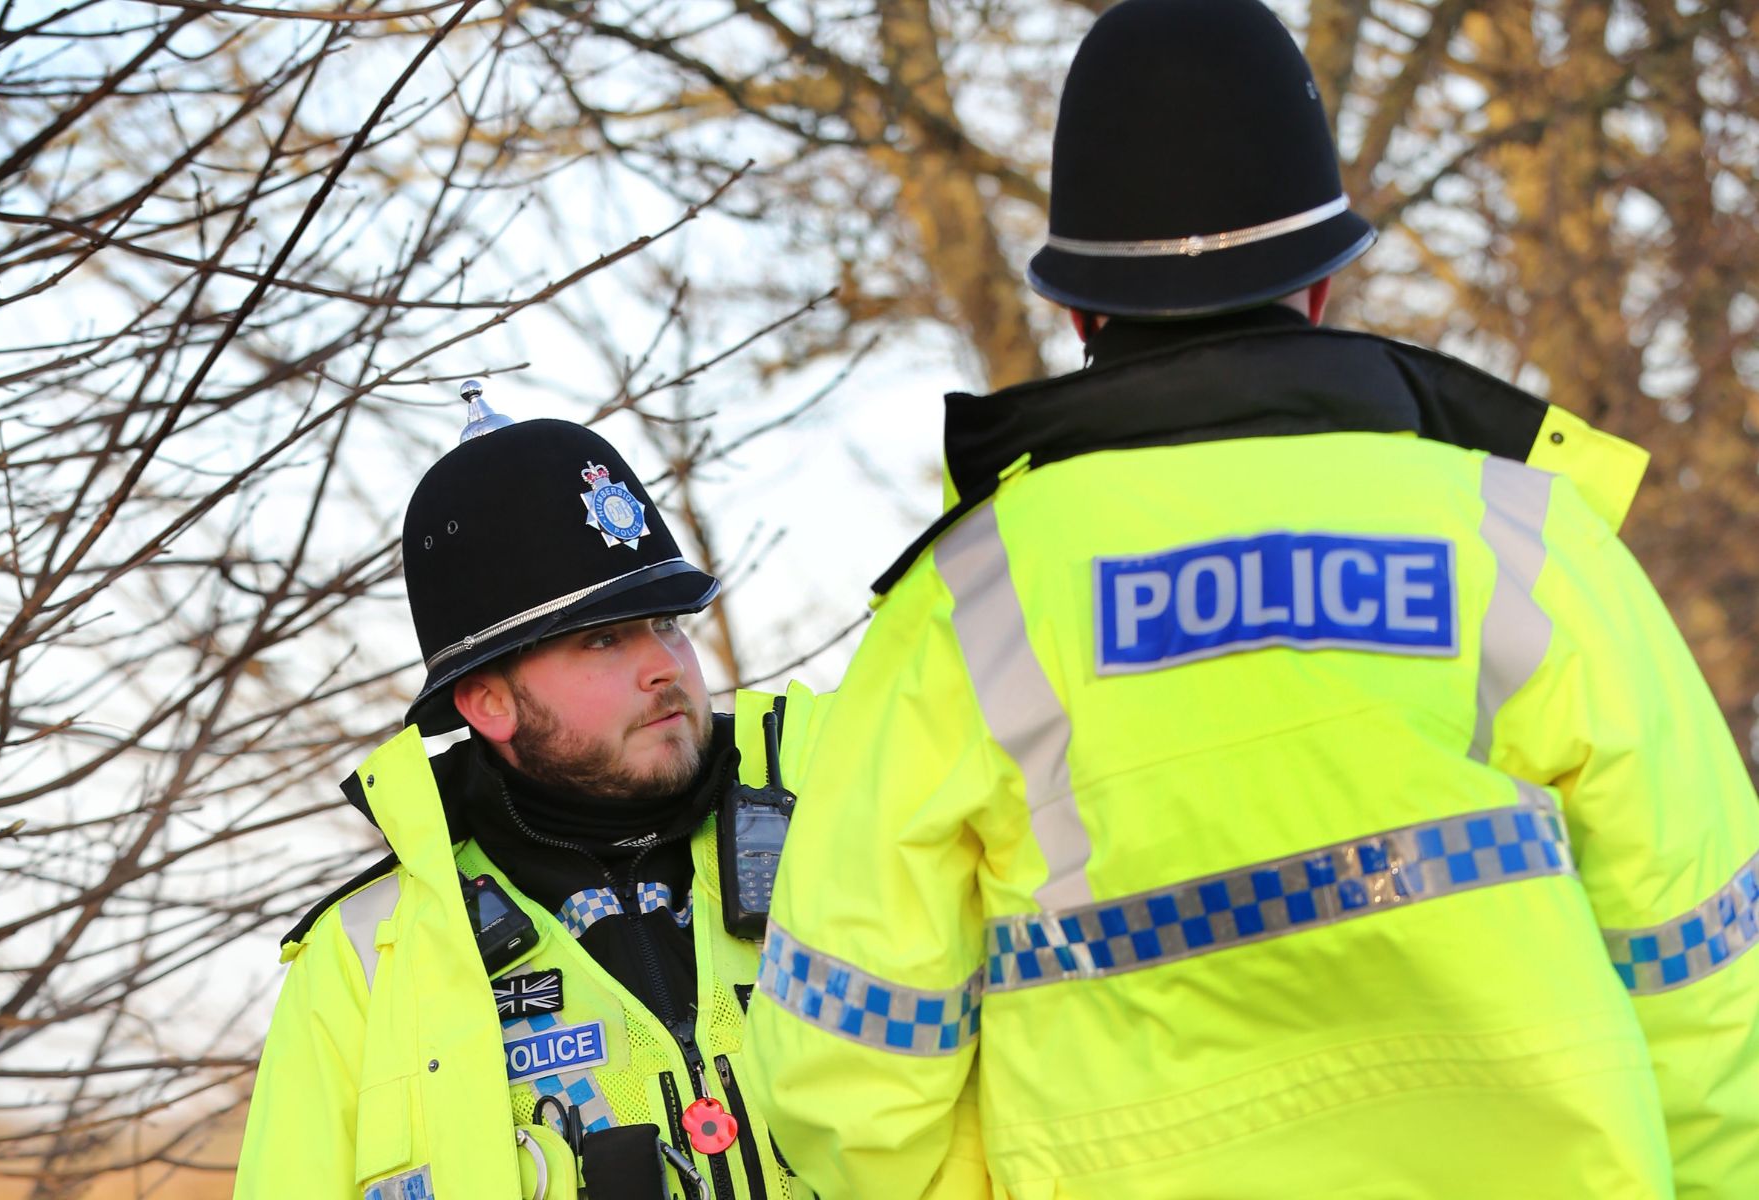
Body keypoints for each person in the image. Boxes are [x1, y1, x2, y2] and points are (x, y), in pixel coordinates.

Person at [742, 1, 1759, 1196]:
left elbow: (845, 1069)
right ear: (1321, 286)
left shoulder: (970, 600)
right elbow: (1710, 976)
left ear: (1080, 312)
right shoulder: (1522, 538)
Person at [235, 387, 824, 1199]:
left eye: (667, 623)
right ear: (488, 703)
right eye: (606, 638)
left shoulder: (836, 841)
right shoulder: (364, 960)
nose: (665, 666)